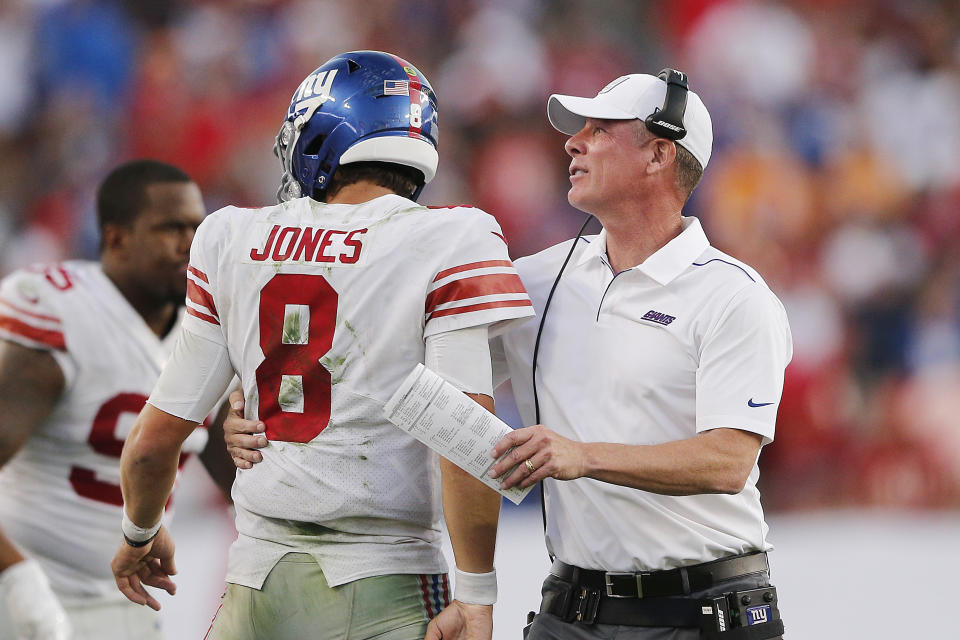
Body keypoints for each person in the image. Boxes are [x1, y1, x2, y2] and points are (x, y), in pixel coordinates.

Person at [109, 50, 534, 640]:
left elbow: (154, 445)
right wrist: (477, 594)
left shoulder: (231, 235)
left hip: (254, 588)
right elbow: (464, 432)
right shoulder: (451, 237)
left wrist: (139, 533)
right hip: (383, 585)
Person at [484, 70, 793, 639]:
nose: (574, 141)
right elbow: (431, 372)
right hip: (570, 608)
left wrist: (585, 455)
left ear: (658, 154)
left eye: (601, 129)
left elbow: (728, 462)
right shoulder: (533, 280)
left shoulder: (733, 295)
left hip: (704, 609)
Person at [0, 159, 236, 640]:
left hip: (126, 602)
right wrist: (15, 578)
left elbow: (241, 481)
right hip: (29, 597)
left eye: (197, 227)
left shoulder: (209, 333)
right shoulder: (64, 316)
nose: (190, 244)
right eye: (171, 228)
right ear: (117, 238)